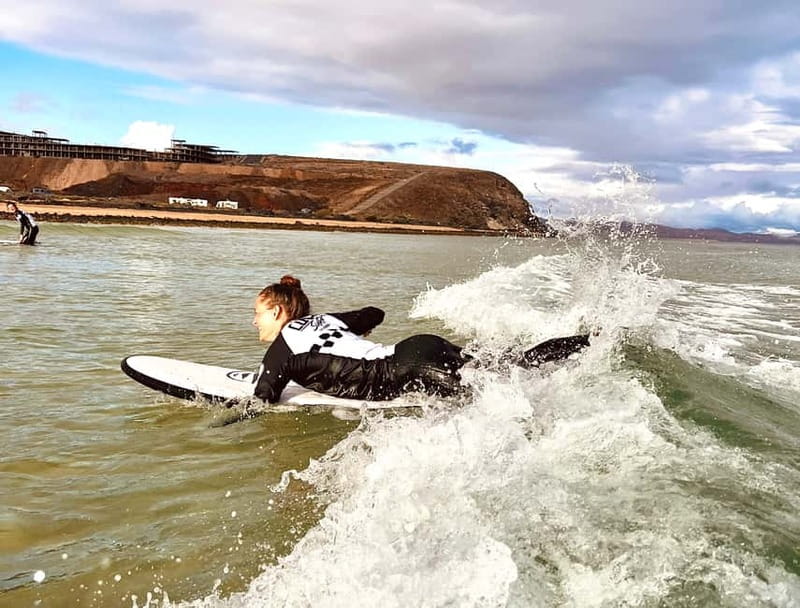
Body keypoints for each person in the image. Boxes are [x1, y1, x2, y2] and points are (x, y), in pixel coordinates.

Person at [253, 275, 591, 403]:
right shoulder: (325, 320)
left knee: (495, 399)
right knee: (513, 366)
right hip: (418, 346)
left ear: (279, 313)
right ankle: (592, 341)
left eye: (259, 313)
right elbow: (375, 313)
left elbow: (261, 400)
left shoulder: (281, 351)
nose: (255, 321)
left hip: (409, 369)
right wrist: (353, 333)